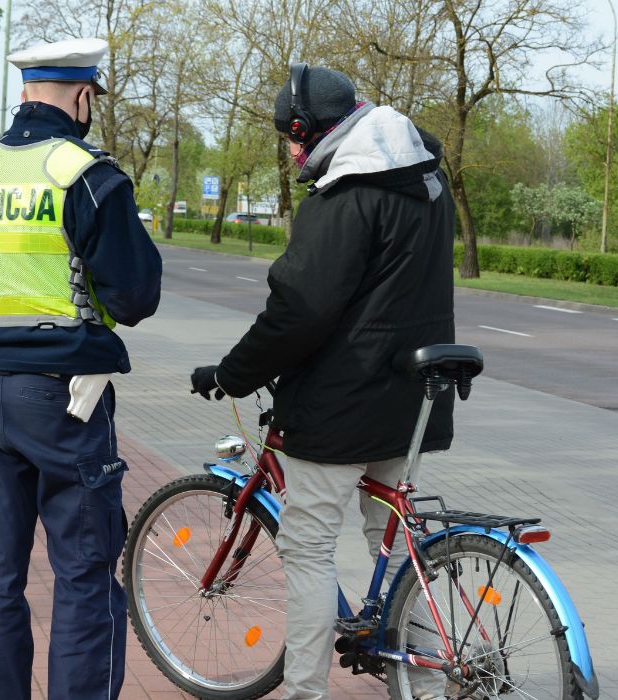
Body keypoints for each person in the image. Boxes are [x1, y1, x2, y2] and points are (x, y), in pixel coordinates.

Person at [190, 63, 456, 700]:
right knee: (391, 542)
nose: (289, 148)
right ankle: (427, 668)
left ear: (313, 130)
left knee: (307, 546)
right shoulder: (428, 182)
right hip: (412, 397)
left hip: (340, 406)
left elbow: (299, 310)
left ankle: (305, 692)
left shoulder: (344, 195)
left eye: (291, 134)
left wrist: (233, 373)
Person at [0, 37, 162, 700]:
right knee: (83, 573)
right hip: (67, 399)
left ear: (25, 92)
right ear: (83, 95)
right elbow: (136, 297)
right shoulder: (84, 173)